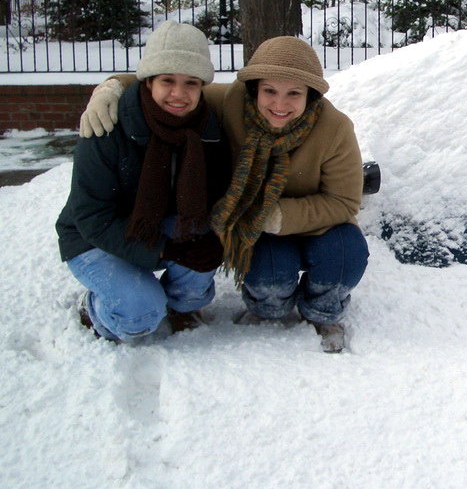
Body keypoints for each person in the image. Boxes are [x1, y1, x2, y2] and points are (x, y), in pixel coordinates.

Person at [81, 37, 367, 353]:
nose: (280, 104)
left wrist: (277, 215)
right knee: (271, 275)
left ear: (310, 95)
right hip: (258, 227)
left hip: (316, 223)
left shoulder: (335, 128)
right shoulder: (231, 103)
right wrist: (109, 89)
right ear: (255, 88)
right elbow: (174, 88)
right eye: (270, 91)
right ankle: (268, 308)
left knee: (345, 255)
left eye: (294, 93)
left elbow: (344, 201)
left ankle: (323, 312)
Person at [57, 21, 231, 343]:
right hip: (92, 237)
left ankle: (182, 305)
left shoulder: (207, 127)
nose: (179, 94)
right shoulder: (108, 125)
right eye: (167, 80)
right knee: (138, 316)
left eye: (191, 83)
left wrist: (206, 241)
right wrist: (167, 249)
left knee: (205, 244)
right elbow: (91, 217)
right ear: (149, 80)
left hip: (159, 224)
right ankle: (94, 307)